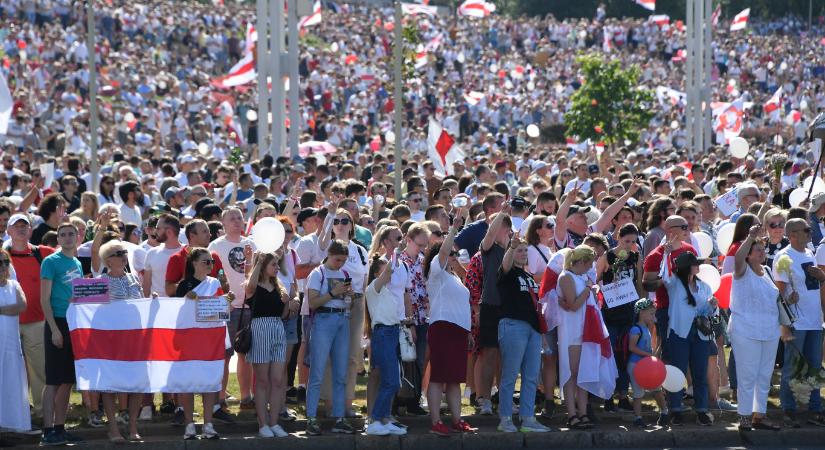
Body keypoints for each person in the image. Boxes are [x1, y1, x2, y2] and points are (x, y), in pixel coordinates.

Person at [424, 208, 477, 435]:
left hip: (457, 330)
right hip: (442, 327)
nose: (455, 256)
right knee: (438, 377)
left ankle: (457, 420)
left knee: (455, 378)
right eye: (452, 254)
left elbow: (464, 304)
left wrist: (467, 332)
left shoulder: (454, 276)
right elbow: (444, 250)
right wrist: (454, 228)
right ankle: (436, 421)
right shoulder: (436, 271)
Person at [174, 247, 234, 440]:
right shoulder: (184, 285)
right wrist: (186, 297)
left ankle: (208, 425)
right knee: (188, 383)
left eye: (212, 262)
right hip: (189, 340)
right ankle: (189, 425)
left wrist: (227, 301)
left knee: (210, 382)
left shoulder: (215, 282)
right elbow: (175, 312)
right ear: (194, 263)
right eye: (205, 261)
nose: (210, 265)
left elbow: (221, 312)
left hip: (211, 340)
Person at [495, 234, 553, 433]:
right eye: (519, 250)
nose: (522, 253)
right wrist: (511, 247)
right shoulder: (507, 273)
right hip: (513, 325)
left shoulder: (529, 276)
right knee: (510, 375)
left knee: (531, 377)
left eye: (524, 250)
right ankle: (505, 420)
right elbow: (505, 264)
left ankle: (528, 419)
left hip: (533, 329)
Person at [318, 206, 369, 417]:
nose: (339, 225)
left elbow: (364, 282)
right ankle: (331, 405)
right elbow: (321, 242)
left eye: (343, 221)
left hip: (356, 302)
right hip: (333, 302)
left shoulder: (360, 250)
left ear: (351, 226)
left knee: (352, 356)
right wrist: (330, 215)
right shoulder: (327, 245)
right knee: (332, 354)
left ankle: (347, 404)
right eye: (336, 221)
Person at [730, 224, 781, 431]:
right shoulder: (741, 271)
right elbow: (738, 258)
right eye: (757, 249)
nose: (762, 252)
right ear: (749, 254)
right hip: (745, 330)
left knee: (764, 375)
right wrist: (750, 238)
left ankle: (759, 416)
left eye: (762, 249)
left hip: (770, 330)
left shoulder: (768, 270)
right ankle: (743, 416)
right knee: (747, 374)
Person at [305, 240, 357, 436]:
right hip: (323, 320)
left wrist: (350, 298)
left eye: (343, 261)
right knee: (317, 372)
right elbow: (313, 303)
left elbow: (347, 303)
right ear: (329, 255)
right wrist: (333, 292)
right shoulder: (318, 273)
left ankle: (339, 417)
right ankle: (311, 418)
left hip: (342, 319)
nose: (340, 264)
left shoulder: (344, 274)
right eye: (337, 260)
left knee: (341, 373)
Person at [777, 218, 825, 427]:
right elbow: (778, 291)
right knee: (792, 367)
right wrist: (789, 298)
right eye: (806, 230)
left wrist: (822, 276)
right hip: (796, 321)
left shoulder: (809, 252)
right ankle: (789, 408)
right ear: (793, 234)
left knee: (814, 366)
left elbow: (814, 284)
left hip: (814, 320)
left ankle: (815, 409)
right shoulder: (783, 256)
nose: (809, 232)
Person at [244, 250, 297, 438]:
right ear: (263, 266)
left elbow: (283, 315)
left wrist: (287, 304)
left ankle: (274, 422)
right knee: (262, 380)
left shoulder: (279, 286)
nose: (277, 268)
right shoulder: (254, 285)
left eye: (277, 264)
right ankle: (263, 423)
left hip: (277, 329)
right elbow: (249, 287)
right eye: (273, 264)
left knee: (277, 380)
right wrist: (257, 261)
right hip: (260, 329)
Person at [7, 213, 53, 425]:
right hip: (7, 323)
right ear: (8, 231)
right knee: (8, 368)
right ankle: (12, 413)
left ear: (31, 230)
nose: (21, 229)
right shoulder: (1, 255)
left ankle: (43, 413)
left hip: (37, 319)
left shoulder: (42, 253)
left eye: (24, 226)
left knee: (40, 370)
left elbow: (67, 259)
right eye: (16, 226)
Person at [660, 249, 716, 426]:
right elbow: (665, 274)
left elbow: (708, 312)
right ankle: (675, 410)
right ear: (686, 268)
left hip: (700, 334)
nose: (698, 266)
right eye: (694, 264)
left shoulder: (704, 286)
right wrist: (666, 254)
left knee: (700, 373)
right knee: (678, 372)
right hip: (679, 333)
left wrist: (712, 306)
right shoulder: (674, 283)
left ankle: (702, 410)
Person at [40, 222, 84, 446]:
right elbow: (44, 299)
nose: (67, 238)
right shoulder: (50, 261)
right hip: (56, 322)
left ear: (77, 237)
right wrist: (54, 329)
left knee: (67, 381)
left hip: (72, 324)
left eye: (71, 234)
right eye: (63, 234)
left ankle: (60, 427)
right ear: (58, 239)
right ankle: (47, 430)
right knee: (53, 381)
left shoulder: (77, 262)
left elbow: (78, 294)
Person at [208, 207, 256, 410]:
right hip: (225, 307)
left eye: (239, 218)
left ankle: (246, 397)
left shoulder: (252, 244)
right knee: (224, 355)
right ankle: (220, 398)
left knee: (247, 354)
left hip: (249, 305)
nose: (237, 221)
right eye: (232, 219)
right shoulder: (216, 246)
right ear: (223, 223)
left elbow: (256, 273)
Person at [98, 241, 145, 442]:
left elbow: (141, 305)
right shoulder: (99, 281)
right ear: (108, 259)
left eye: (125, 252)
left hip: (134, 338)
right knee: (110, 385)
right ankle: (114, 429)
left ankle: (133, 427)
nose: (124, 255)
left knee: (136, 384)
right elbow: (92, 313)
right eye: (119, 253)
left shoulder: (134, 278)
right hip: (110, 339)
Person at [475, 204, 513, 415]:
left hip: (510, 308)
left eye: (500, 224)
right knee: (489, 354)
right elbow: (489, 234)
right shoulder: (488, 249)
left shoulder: (515, 249)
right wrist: (502, 212)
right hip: (490, 305)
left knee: (508, 356)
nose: (493, 227)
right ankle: (486, 400)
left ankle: (505, 400)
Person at [363, 257, 407, 436]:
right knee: (390, 381)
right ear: (375, 274)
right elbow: (389, 271)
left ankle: (384, 418)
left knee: (392, 381)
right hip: (383, 335)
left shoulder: (385, 291)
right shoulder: (373, 287)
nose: (389, 273)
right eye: (384, 270)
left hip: (391, 334)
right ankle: (375, 420)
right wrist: (396, 254)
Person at [557, 245, 598, 429]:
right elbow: (574, 305)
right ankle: (572, 414)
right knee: (572, 374)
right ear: (581, 262)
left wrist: (591, 291)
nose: (590, 268)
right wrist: (588, 289)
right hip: (572, 332)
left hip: (585, 331)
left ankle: (583, 413)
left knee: (584, 375)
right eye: (589, 264)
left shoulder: (583, 277)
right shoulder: (566, 276)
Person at [0, 248, 30, 446]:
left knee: (10, 380)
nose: (3, 266)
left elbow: (21, 306)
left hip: (10, 344)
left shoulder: (14, 284)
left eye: (5, 262)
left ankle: (7, 424)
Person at [626, 298, 668, 428]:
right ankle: (638, 418)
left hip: (648, 366)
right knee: (638, 393)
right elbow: (632, 347)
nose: (653, 317)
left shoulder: (647, 329)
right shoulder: (636, 329)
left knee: (657, 389)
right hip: (635, 365)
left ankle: (664, 412)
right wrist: (649, 355)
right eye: (651, 314)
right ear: (641, 312)